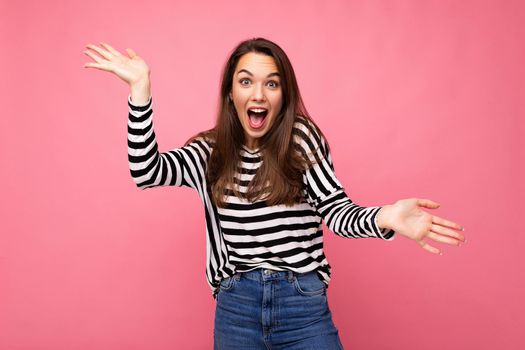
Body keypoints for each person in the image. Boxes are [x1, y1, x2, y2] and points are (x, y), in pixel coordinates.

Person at [83, 37, 465, 349]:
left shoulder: (301, 140)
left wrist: (386, 217)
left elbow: (336, 212)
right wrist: (140, 92)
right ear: (230, 92)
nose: (259, 94)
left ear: (284, 94)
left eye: (272, 83)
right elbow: (147, 171)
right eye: (246, 81)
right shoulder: (209, 152)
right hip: (237, 307)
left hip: (302, 302)